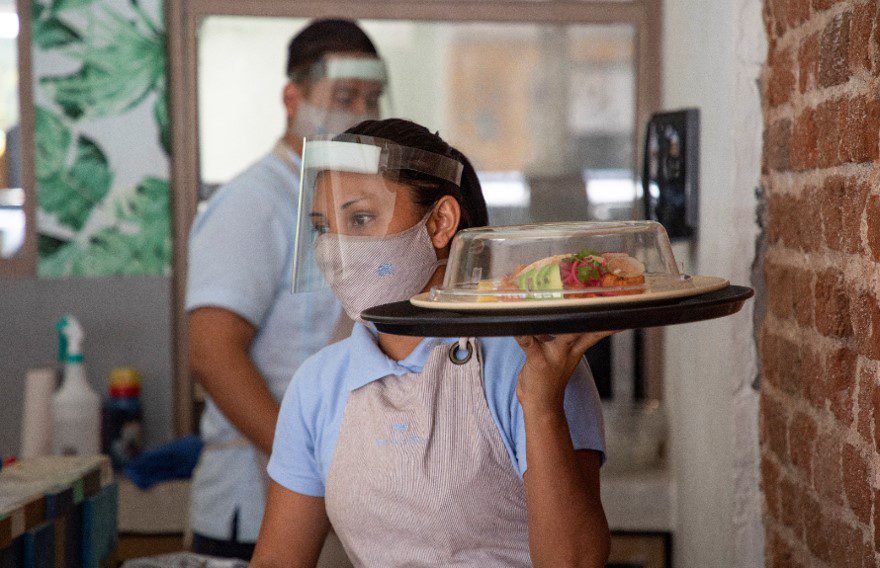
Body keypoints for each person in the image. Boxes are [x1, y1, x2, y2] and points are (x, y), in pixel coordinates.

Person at [251, 119, 611, 567]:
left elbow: (576, 563)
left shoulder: (533, 359)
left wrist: (540, 402)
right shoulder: (318, 386)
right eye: (323, 227)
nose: (335, 248)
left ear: (440, 223)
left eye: (360, 218)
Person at [185, 19, 388, 560]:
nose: (362, 112)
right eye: (344, 96)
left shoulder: (357, 204)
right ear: (291, 98)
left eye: (373, 97)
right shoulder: (253, 203)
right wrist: (307, 462)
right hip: (255, 506)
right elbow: (211, 352)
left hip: (338, 499)